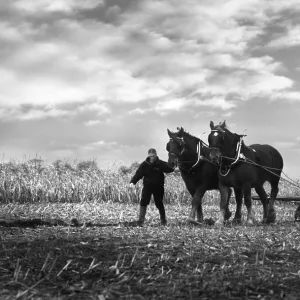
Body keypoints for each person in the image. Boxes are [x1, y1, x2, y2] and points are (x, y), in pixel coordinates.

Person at [129, 148, 174, 226]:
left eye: (153, 156)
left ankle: (163, 221)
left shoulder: (161, 163)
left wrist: (173, 165)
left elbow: (168, 169)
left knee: (159, 203)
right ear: (148, 156)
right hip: (147, 187)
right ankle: (141, 221)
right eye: (150, 156)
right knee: (143, 202)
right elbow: (138, 174)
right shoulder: (144, 164)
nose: (152, 158)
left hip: (158, 187)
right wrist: (133, 182)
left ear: (156, 155)